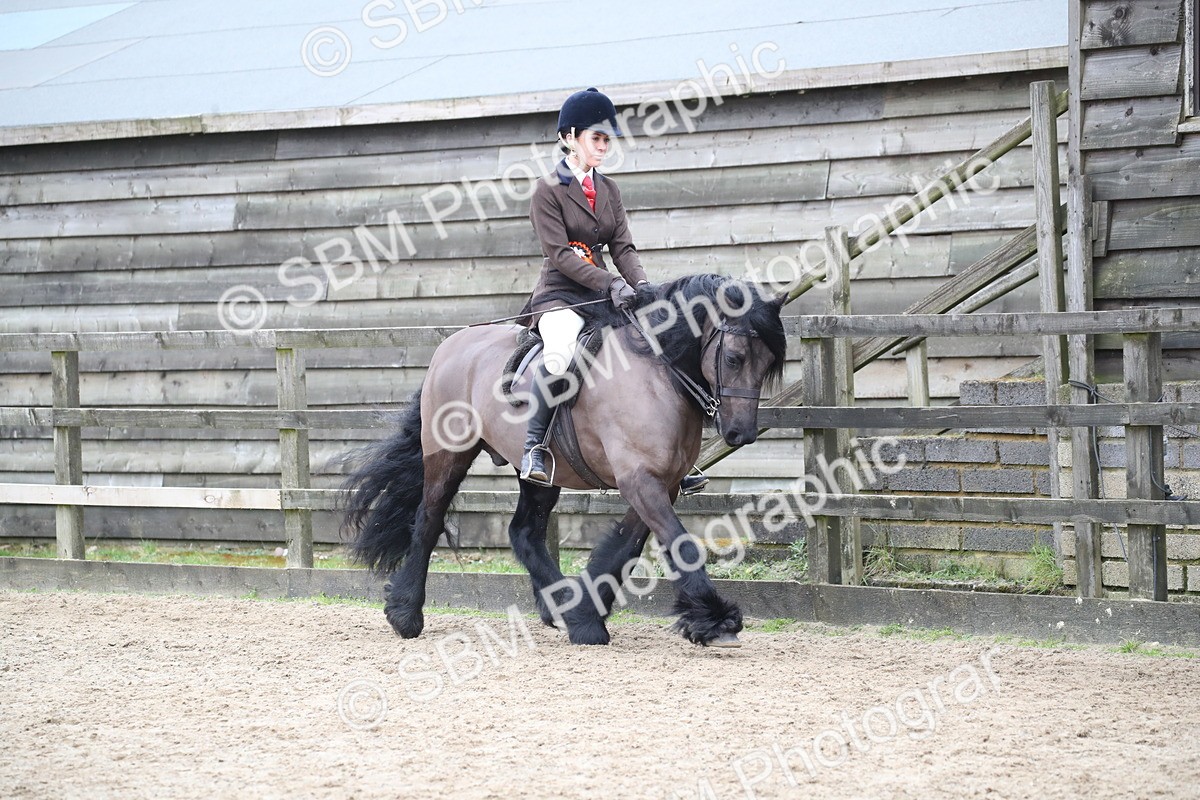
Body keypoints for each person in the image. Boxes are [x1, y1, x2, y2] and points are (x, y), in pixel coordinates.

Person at [520, 87, 708, 495]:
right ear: (569, 137)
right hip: (560, 296)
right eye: (596, 138)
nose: (603, 147)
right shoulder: (547, 189)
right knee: (560, 351)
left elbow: (622, 246)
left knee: (652, 344)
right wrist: (613, 283)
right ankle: (534, 447)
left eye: (607, 140)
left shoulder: (609, 190)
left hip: (607, 294)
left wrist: (642, 286)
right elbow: (560, 255)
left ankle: (671, 457)